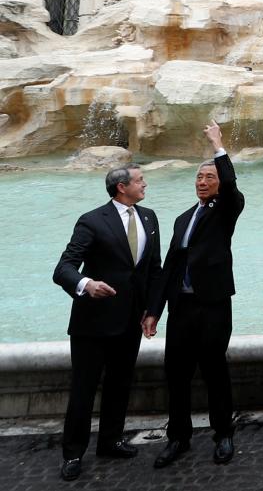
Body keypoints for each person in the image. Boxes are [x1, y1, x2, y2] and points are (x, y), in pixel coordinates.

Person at [52, 164, 162, 481]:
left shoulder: (149, 217)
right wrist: (86, 284)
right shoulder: (91, 220)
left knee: (120, 384)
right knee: (84, 390)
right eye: (140, 180)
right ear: (121, 187)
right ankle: (73, 454)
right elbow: (64, 267)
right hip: (93, 324)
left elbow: (153, 269)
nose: (146, 185)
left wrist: (152, 310)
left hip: (131, 321)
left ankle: (111, 440)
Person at [146, 122, 245, 468]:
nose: (202, 182)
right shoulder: (182, 218)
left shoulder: (226, 210)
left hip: (214, 304)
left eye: (209, 177)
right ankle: (178, 438)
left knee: (215, 370)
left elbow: (231, 186)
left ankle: (224, 434)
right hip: (182, 307)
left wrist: (218, 145)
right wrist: (153, 310)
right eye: (199, 178)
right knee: (177, 373)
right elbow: (170, 268)